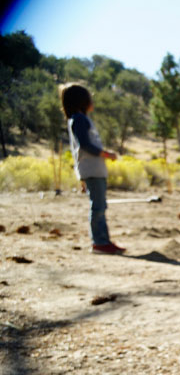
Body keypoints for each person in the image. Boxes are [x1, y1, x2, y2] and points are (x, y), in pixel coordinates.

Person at [61, 83, 123, 254]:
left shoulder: (80, 118)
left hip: (93, 169)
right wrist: (106, 154)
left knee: (100, 205)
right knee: (98, 207)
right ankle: (100, 242)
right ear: (82, 101)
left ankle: (103, 241)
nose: (92, 101)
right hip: (92, 169)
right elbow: (85, 145)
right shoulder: (79, 119)